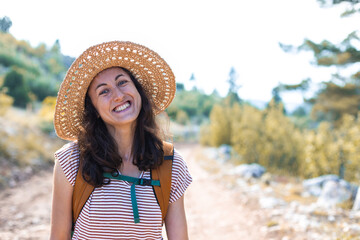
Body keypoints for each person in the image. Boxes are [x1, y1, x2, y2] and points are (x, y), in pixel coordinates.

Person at [50, 41, 192, 240]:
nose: (118, 95)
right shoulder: (71, 161)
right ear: (94, 110)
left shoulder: (171, 164)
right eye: (104, 91)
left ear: (138, 90)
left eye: (122, 82)